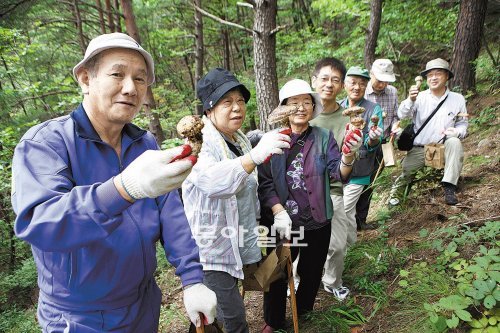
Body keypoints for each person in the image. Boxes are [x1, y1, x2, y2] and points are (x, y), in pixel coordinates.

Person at [11, 32, 217, 332]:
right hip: (80, 317)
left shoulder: (143, 142)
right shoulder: (47, 144)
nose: (131, 88)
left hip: (143, 304)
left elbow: (170, 212)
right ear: (85, 78)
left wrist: (192, 278)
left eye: (141, 79)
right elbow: (41, 223)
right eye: (117, 74)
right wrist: (123, 189)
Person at [182, 68, 290, 333]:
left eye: (240, 101)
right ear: (209, 109)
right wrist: (254, 158)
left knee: (210, 313)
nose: (236, 108)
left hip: (235, 239)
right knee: (234, 320)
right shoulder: (200, 142)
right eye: (227, 102)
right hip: (210, 249)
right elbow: (212, 181)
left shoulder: (238, 139)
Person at [258, 79, 362, 332]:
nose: (301, 108)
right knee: (276, 273)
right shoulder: (271, 140)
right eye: (294, 103)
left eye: (306, 102)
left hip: (317, 219)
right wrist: (278, 211)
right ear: (284, 108)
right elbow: (265, 183)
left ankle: (302, 313)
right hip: (283, 222)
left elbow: (338, 174)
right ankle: (273, 321)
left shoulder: (323, 137)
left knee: (312, 271)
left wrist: (348, 155)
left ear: (313, 106)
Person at [389, 58, 468, 206]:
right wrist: (410, 99)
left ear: (447, 77)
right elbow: (401, 114)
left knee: (455, 142)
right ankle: (395, 199)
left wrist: (457, 131)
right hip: (420, 149)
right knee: (406, 175)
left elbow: (463, 124)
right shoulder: (419, 96)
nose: (433, 77)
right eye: (430, 75)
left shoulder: (457, 99)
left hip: (443, 148)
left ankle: (449, 187)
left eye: (438, 73)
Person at [308, 57, 352, 300]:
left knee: (337, 243)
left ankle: (332, 280)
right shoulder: (303, 113)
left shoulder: (348, 119)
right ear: (314, 81)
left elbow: (349, 158)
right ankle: (295, 280)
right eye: (324, 78)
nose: (329, 84)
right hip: (303, 192)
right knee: (300, 243)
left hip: (333, 189)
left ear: (342, 86)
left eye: (335, 80)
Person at [339, 67, 384, 244]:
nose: (357, 87)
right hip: (339, 169)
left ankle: (340, 245)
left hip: (361, 170)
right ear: (344, 85)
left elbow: (375, 141)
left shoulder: (373, 109)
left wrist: (372, 139)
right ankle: (351, 244)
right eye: (353, 82)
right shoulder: (338, 108)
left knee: (342, 209)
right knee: (349, 212)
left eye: (362, 84)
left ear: (366, 86)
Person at [354, 59, 400, 231]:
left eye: (386, 80)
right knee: (358, 181)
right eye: (379, 79)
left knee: (371, 183)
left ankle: (361, 220)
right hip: (363, 145)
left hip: (383, 144)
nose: (382, 84)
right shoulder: (361, 92)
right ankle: (349, 220)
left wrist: (395, 125)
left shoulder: (392, 92)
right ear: (371, 74)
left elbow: (395, 115)